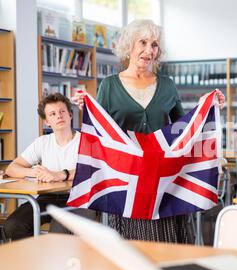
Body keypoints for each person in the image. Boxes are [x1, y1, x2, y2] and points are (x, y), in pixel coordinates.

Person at [72, 20, 225, 243]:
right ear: (129, 46)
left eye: (154, 45)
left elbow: (182, 129)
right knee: (132, 246)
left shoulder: (167, 84)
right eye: (142, 42)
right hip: (128, 181)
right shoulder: (109, 85)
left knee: (167, 242)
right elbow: (101, 133)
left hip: (165, 179)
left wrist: (208, 109)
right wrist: (86, 110)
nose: (148, 50)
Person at [4, 93, 95, 241]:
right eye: (53, 114)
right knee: (13, 225)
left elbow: (94, 169)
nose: (59, 116)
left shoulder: (86, 141)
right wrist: (35, 172)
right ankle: (35, 260)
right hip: (48, 198)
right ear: (47, 122)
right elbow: (12, 169)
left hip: (78, 198)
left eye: (62, 112)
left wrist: (61, 174)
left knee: (56, 236)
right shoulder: (42, 142)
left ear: (70, 115)